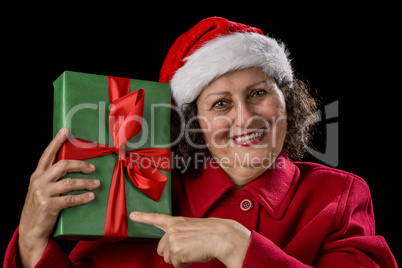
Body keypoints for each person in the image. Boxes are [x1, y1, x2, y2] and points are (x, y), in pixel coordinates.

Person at [4, 17, 397, 268]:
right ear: (194, 123)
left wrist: (238, 245)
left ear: (287, 101)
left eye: (258, 93)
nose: (245, 118)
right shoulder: (144, 196)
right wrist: (31, 240)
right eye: (221, 103)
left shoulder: (339, 195)